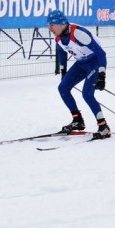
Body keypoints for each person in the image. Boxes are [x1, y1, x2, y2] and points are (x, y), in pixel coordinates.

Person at [47, 9, 110, 140]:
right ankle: (77, 120)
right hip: (81, 63)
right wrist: (63, 71)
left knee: (87, 94)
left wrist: (102, 74)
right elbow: (61, 51)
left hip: (95, 62)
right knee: (63, 88)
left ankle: (104, 127)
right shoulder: (58, 37)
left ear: (61, 23)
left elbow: (101, 54)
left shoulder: (78, 34)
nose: (49, 28)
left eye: (51, 25)